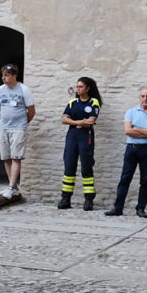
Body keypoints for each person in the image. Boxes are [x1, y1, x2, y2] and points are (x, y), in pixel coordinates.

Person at [106, 86, 147, 219]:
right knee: (125, 178)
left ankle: (141, 208)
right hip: (131, 148)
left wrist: (136, 129)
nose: (145, 99)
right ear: (139, 97)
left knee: (145, 180)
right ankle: (118, 207)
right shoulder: (131, 112)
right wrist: (146, 131)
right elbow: (127, 131)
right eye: (142, 96)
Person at [58, 77, 102, 211]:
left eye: (81, 87)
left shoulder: (93, 102)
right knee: (69, 166)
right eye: (77, 87)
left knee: (86, 167)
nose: (78, 89)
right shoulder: (72, 102)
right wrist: (79, 123)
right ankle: (66, 198)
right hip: (72, 135)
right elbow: (64, 119)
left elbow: (91, 120)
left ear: (88, 88)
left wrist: (78, 122)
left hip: (85, 136)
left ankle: (89, 199)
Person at [0, 65, 35, 201]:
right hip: (3, 127)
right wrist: (7, 118)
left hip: (18, 128)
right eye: (3, 75)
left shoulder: (24, 90)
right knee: (6, 156)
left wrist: (22, 123)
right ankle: (12, 186)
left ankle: (11, 187)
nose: (3, 78)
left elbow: (31, 111)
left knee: (16, 156)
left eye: (6, 75)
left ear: (14, 75)